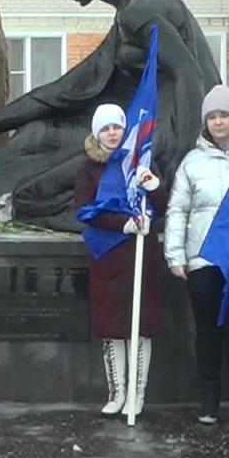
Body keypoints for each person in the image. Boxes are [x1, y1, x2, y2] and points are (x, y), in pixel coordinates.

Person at [0, 0, 221, 231]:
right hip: (146, 126)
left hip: (165, 136)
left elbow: (190, 75)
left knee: (33, 195)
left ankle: (109, 222)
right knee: (37, 134)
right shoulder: (129, 10)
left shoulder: (142, 9)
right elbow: (64, 92)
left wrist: (182, 156)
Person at [163, 85, 229, 425]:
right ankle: (210, 402)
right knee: (208, 331)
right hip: (202, 260)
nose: (218, 122)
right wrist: (175, 255)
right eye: (212, 117)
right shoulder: (191, 162)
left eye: (223, 116)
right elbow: (178, 210)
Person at [74, 103, 166, 419]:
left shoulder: (140, 163)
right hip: (108, 257)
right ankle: (117, 392)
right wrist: (121, 223)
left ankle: (137, 395)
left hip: (142, 256)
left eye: (117, 127)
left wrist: (154, 187)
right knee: (113, 327)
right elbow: (85, 209)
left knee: (140, 327)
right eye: (106, 128)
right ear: (97, 133)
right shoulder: (89, 169)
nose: (113, 133)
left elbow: (165, 205)